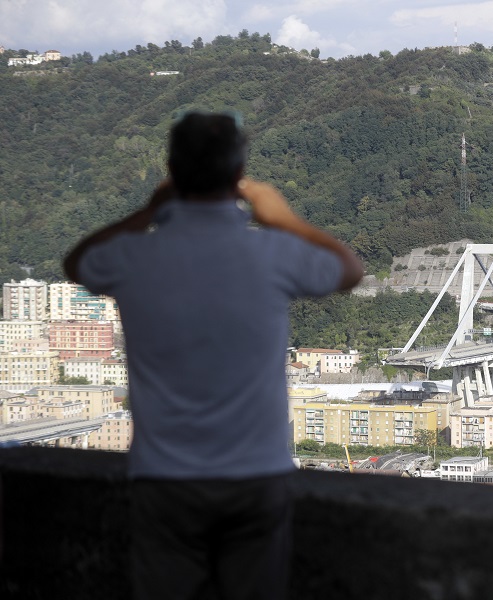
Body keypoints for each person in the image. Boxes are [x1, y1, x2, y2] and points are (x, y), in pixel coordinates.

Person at [63, 112, 363, 599]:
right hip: (256, 472)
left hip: (163, 476)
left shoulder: (133, 258)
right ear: (239, 173)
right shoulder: (272, 253)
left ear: (172, 171)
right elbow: (349, 270)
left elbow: (76, 264)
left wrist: (147, 213)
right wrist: (281, 217)